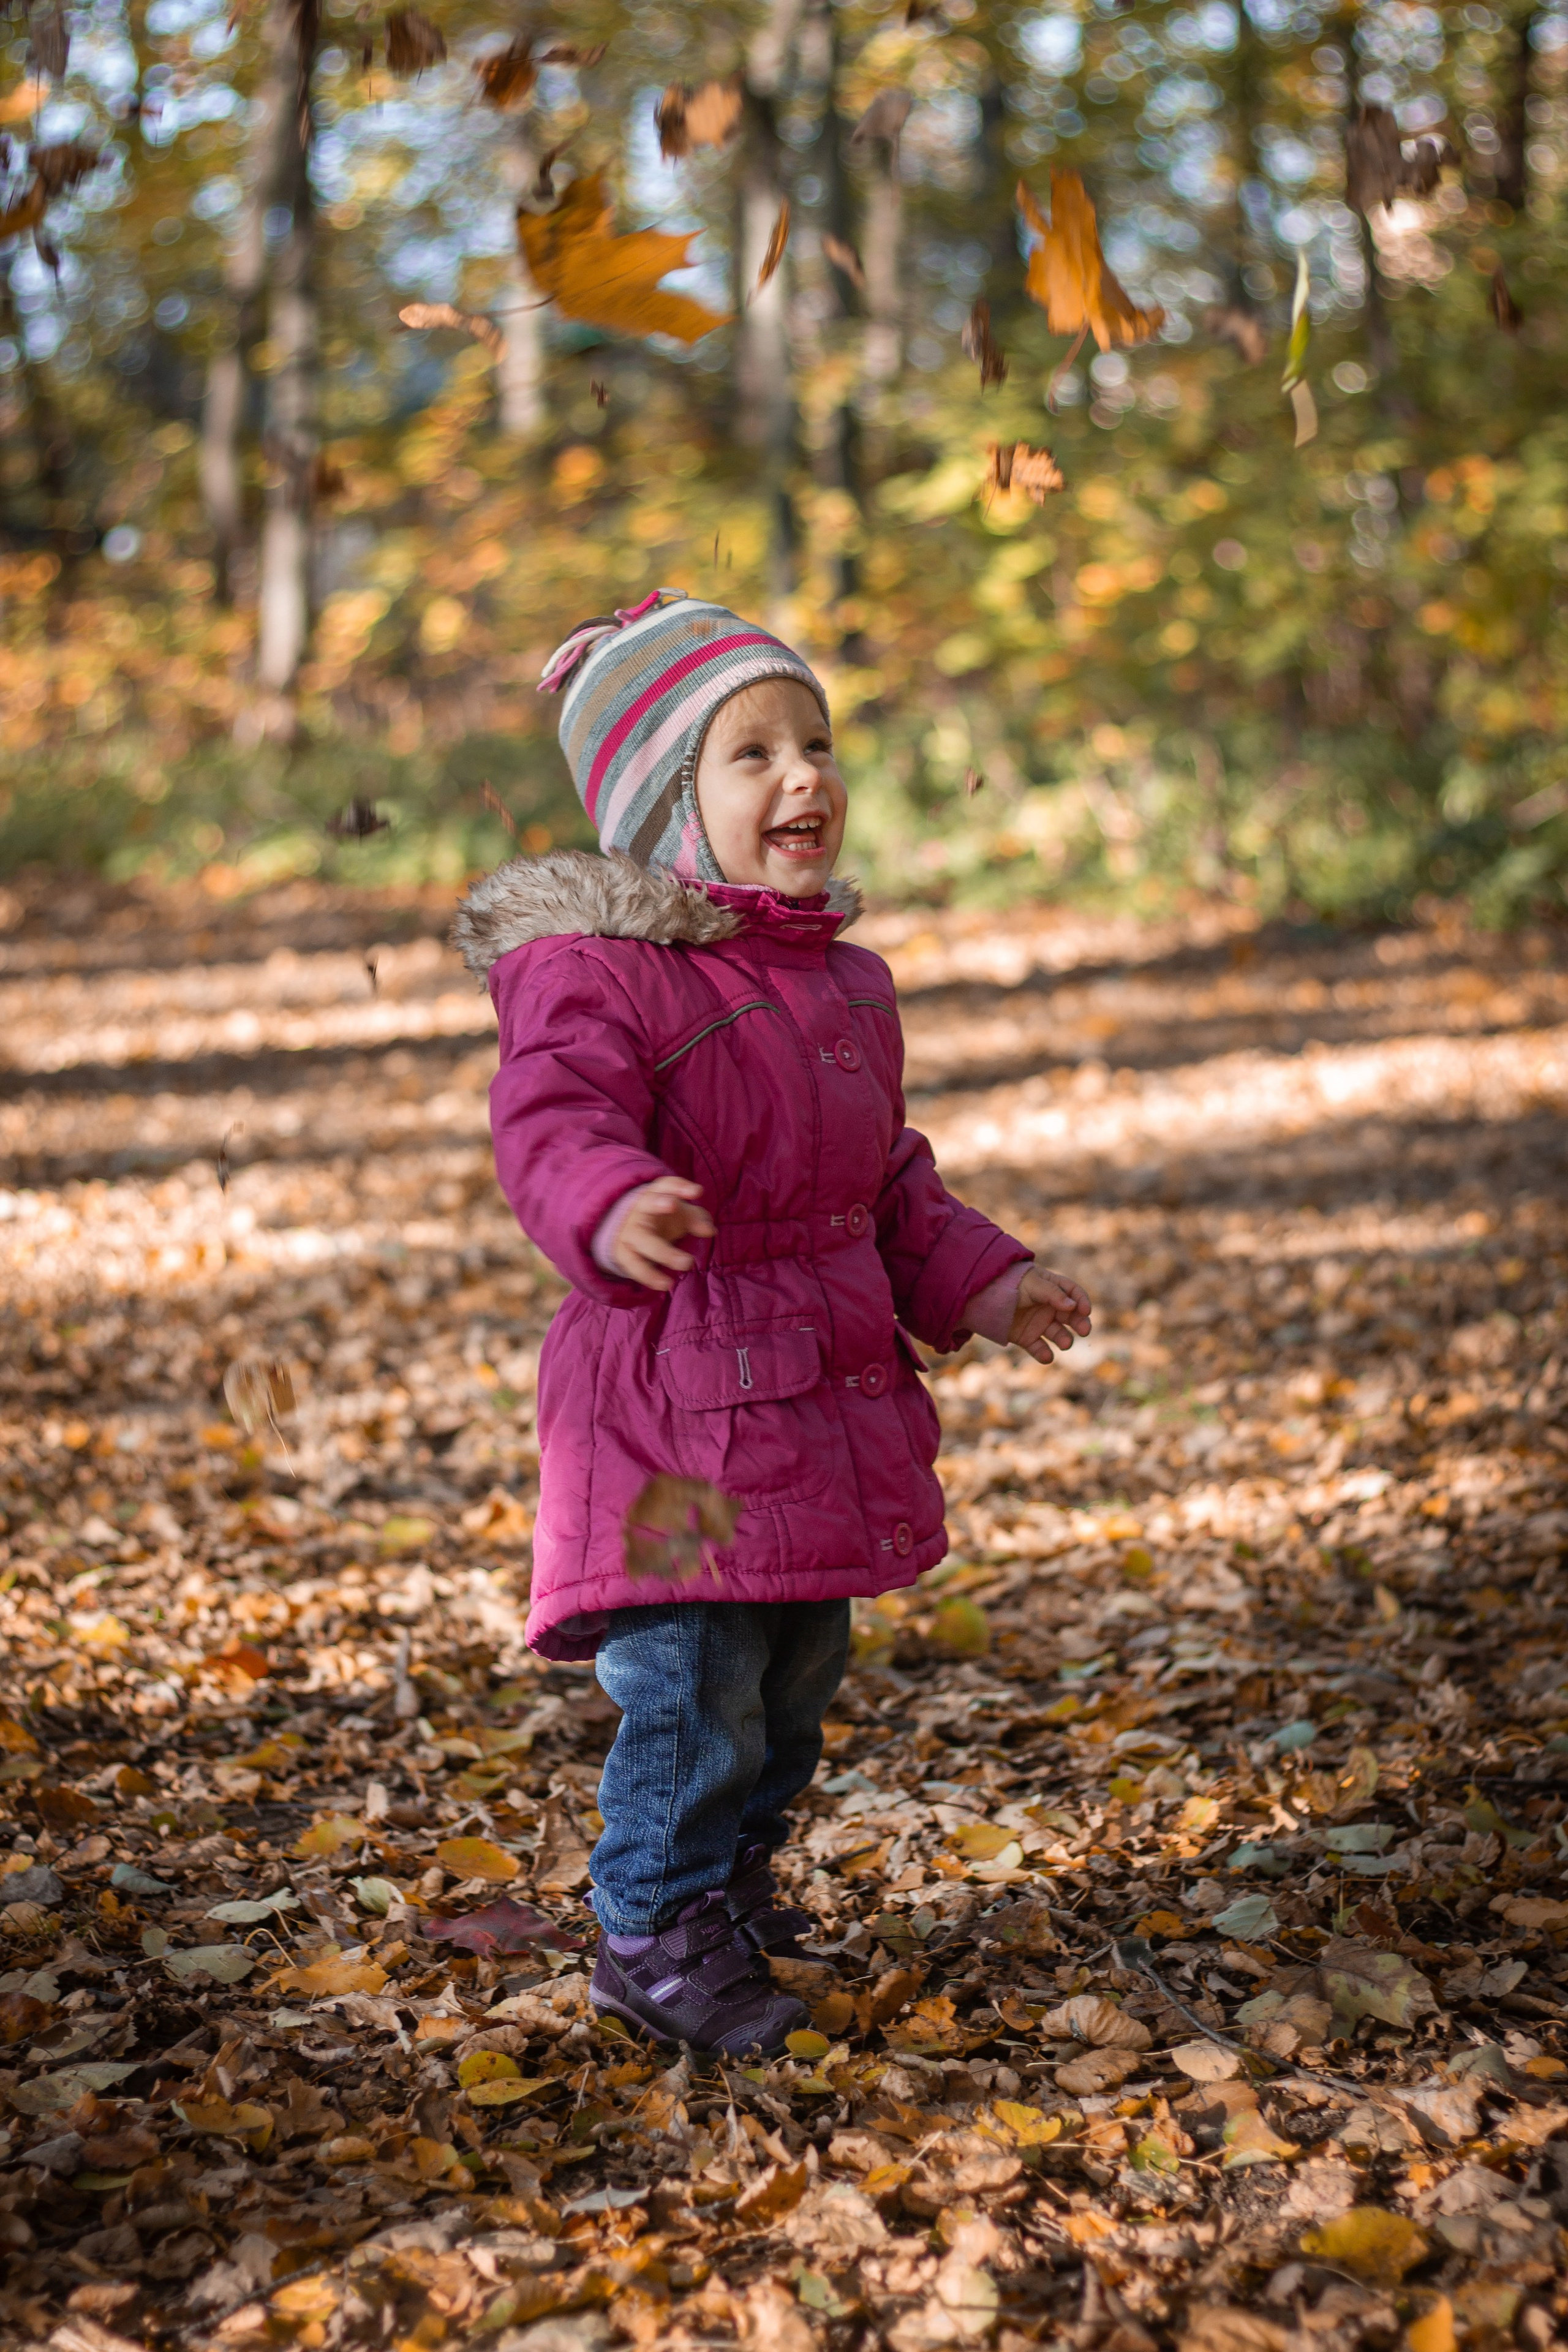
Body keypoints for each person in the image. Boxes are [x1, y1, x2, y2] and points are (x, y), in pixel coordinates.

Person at [453, 589, 1092, 2056]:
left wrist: (986, 1281)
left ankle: (729, 1883)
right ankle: (650, 1926)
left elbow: (884, 1183)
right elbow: (552, 1115)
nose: (804, 775)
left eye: (814, 741)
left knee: (795, 1678)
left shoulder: (841, 987)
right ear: (667, 805)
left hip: (806, 1397)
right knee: (689, 1683)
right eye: (750, 755)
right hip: (662, 1413)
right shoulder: (596, 972)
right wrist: (607, 1202)